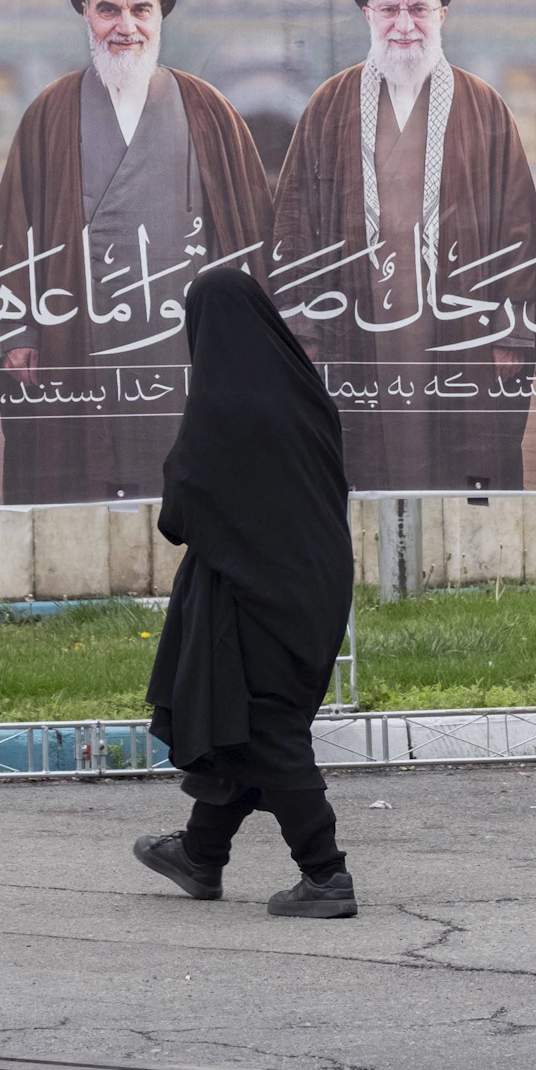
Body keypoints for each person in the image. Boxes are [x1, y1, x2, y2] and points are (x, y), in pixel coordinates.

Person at [0, 0, 272, 505]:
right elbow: (14, 228)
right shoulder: (50, 111)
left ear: (161, 15)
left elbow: (250, 235)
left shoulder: (209, 110)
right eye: (108, 10)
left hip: (184, 345)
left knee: (190, 479)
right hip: (76, 338)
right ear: (85, 16)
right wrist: (19, 329)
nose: (126, 26)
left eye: (141, 9)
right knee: (81, 477)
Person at [271, 0, 536, 492]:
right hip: (357, 323)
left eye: (418, 8)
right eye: (389, 9)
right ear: (366, 13)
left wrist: (510, 330)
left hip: (459, 328)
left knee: (462, 461)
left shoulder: (484, 106)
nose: (404, 24)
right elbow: (294, 222)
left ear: (441, 13)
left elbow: (518, 224)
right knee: (355, 454)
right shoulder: (329, 105)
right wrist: (303, 325)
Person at [134, 267, 357, 919]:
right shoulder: (304, 393)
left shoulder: (222, 404)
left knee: (269, 725)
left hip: (257, 594)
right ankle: (200, 854)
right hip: (316, 586)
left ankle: (326, 873)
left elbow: (181, 507)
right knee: (242, 716)